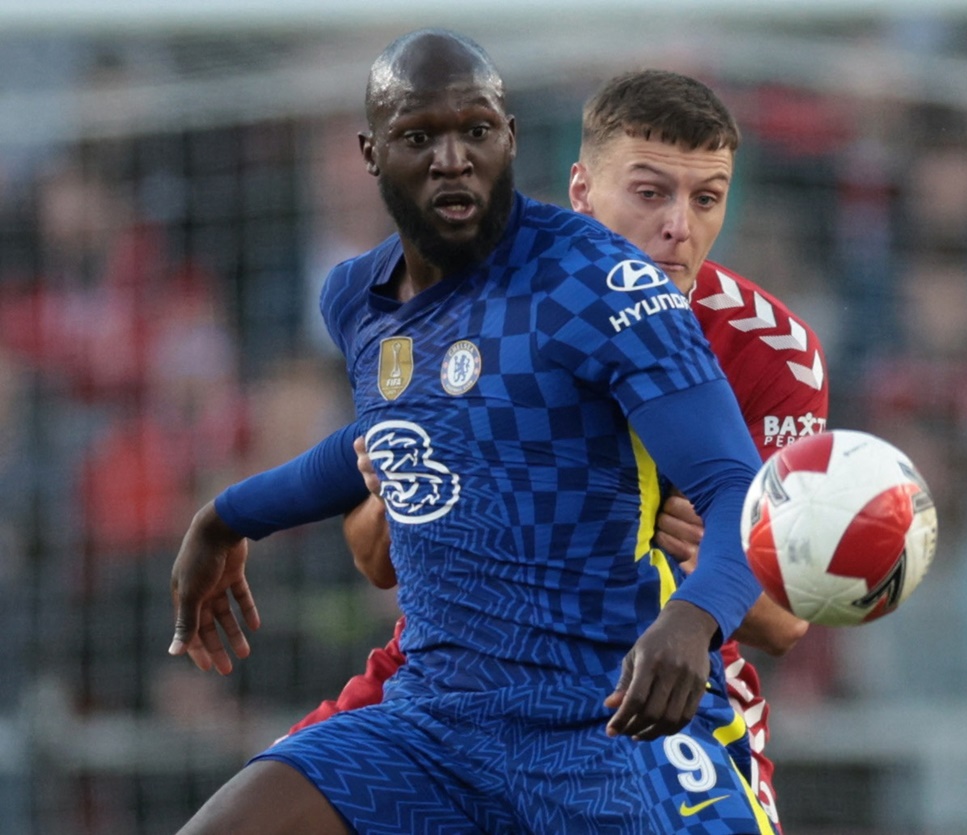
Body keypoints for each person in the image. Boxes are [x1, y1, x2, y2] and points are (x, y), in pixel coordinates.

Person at [168, 29, 776, 834]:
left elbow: (737, 486)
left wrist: (695, 617)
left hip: (595, 722)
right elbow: (387, 438)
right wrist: (228, 516)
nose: (453, 157)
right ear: (371, 152)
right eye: (421, 136)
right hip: (433, 726)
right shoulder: (356, 298)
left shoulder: (603, 284)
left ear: (510, 140)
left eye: (476, 131)